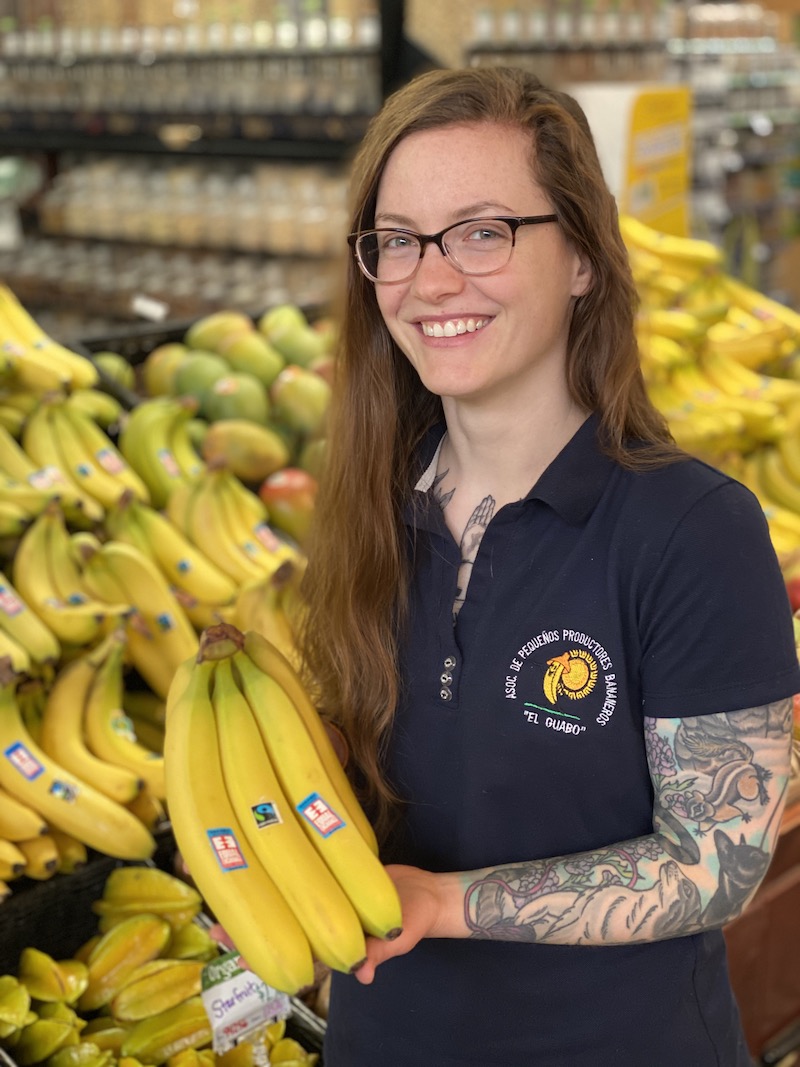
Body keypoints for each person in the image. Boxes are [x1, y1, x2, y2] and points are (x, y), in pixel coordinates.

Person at [297, 65, 800, 1066]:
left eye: (482, 232)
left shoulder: (692, 527)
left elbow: (716, 861)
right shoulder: (367, 508)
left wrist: (444, 901)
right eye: (396, 240)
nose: (428, 279)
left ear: (578, 257)